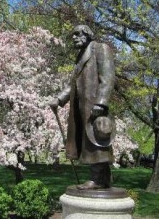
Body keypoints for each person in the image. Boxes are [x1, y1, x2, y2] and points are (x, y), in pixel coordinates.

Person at [49, 25, 116, 190]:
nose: (74, 37)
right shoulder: (81, 57)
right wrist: (59, 99)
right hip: (81, 107)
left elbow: (108, 77)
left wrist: (101, 102)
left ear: (87, 34)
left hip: (94, 106)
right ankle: (104, 179)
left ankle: (98, 180)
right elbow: (73, 84)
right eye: (72, 35)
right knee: (88, 142)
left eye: (77, 34)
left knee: (96, 141)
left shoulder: (100, 49)